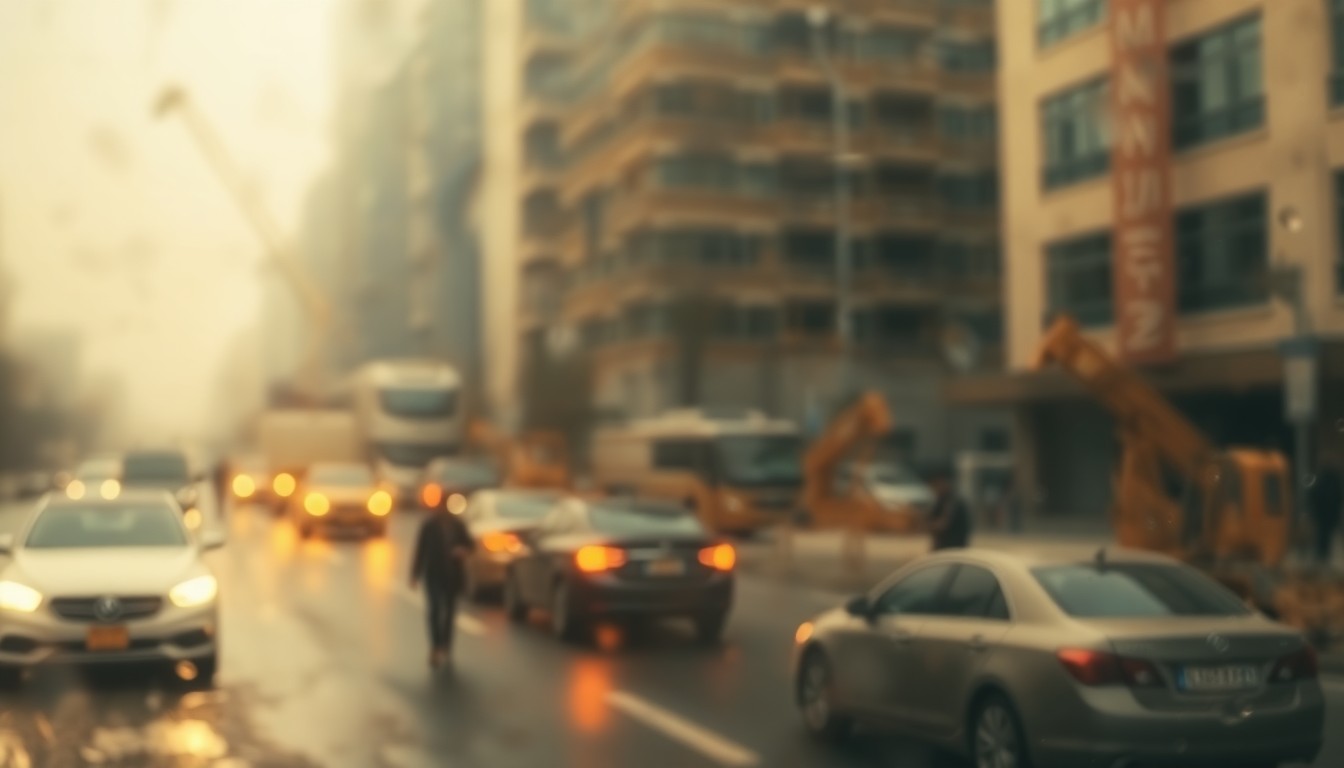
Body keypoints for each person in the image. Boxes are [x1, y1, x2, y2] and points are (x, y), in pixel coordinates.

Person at [410, 505, 476, 668]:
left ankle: (446, 645)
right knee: (434, 610)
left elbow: (470, 544)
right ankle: (436, 646)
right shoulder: (429, 525)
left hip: (453, 575)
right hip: (433, 574)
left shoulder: (457, 525)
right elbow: (420, 549)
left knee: (449, 612)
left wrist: (462, 550)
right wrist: (415, 574)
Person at [926, 465, 971, 551]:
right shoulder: (940, 500)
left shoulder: (953, 501)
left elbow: (942, 524)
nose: (934, 489)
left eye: (936, 485)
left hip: (953, 547)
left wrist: (927, 526)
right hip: (942, 546)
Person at [1308, 457, 1343, 565]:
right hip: (1330, 513)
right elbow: (1338, 497)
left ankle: (1321, 554)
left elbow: (1315, 496)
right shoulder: (1334, 481)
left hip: (1322, 514)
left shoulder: (1321, 481)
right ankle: (1324, 554)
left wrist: (1314, 510)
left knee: (1322, 534)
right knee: (1326, 534)